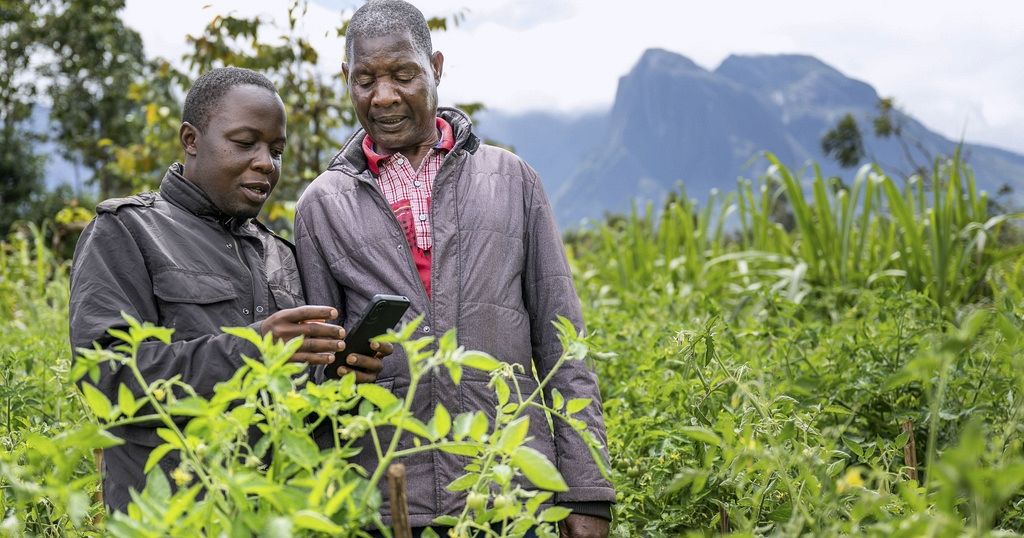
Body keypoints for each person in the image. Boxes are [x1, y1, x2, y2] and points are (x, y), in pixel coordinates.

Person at [293, 2, 614, 536]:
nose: (384, 96)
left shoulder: (513, 179)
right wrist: (336, 372)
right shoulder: (322, 205)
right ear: (347, 79)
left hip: (509, 494)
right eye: (366, 79)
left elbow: (563, 343)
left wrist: (588, 494)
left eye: (404, 75)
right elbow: (315, 370)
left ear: (436, 67)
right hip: (385, 502)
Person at [68, 67, 387, 512]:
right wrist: (251, 350)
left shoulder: (281, 254)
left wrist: (338, 378)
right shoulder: (128, 232)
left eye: (276, 150)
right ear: (191, 139)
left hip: (271, 513)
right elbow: (105, 378)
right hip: (170, 515)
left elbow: (301, 410)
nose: (265, 163)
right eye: (244, 143)